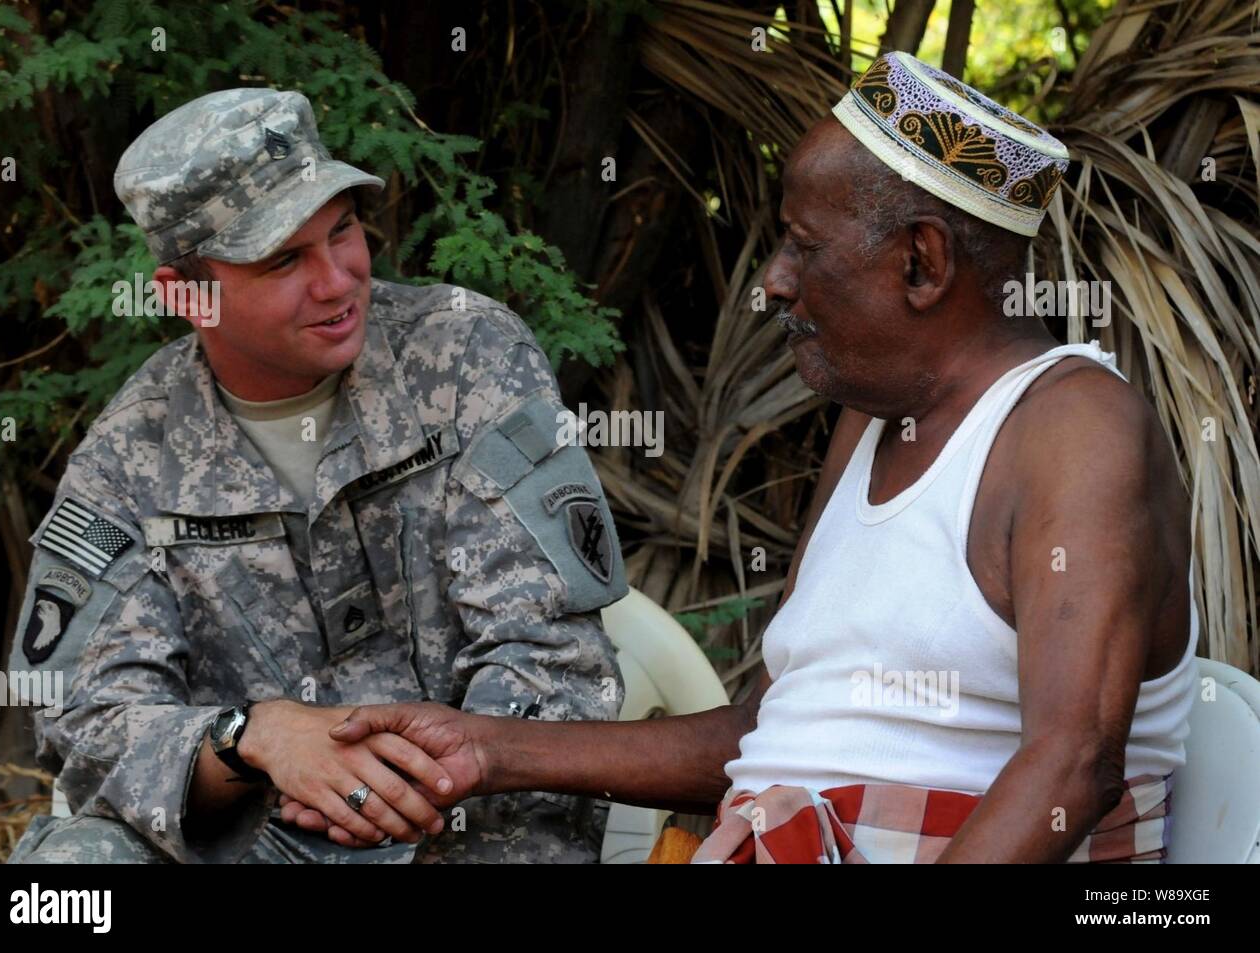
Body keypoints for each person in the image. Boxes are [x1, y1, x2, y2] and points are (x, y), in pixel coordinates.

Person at [316, 53, 1198, 864]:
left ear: (922, 263)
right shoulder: (872, 424)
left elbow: (1074, 762)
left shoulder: (1075, 428)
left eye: (803, 245)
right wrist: (485, 748)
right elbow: (777, 730)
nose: (774, 279)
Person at [6, 87, 627, 864]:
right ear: (186, 295)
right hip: (255, 843)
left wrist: (393, 789)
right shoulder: (128, 457)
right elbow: (87, 717)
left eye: (343, 230)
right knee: (66, 875)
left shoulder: (468, 358)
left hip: (470, 830)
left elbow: (552, 653)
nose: (338, 281)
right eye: (284, 260)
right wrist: (250, 734)